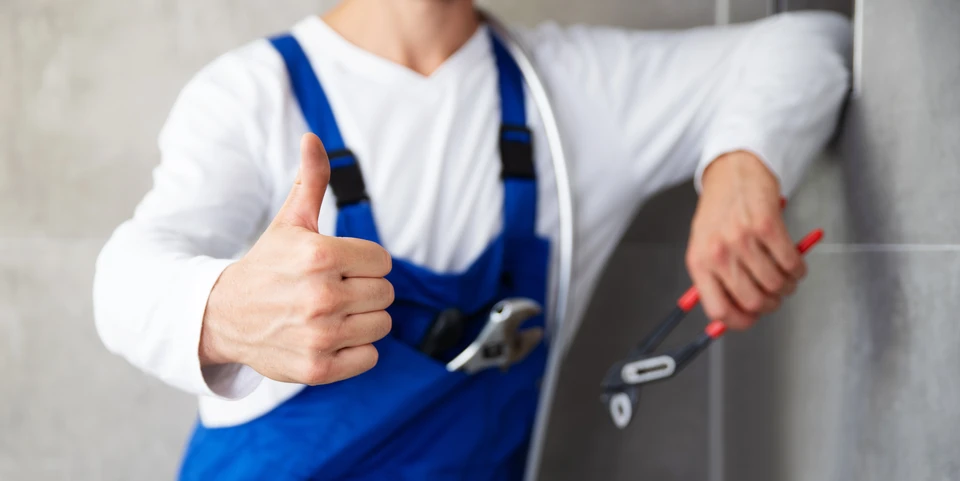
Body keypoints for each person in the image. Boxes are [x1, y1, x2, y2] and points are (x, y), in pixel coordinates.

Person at [93, 0, 851, 479]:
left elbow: (815, 41)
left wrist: (740, 168)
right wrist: (223, 308)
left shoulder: (574, 92)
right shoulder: (254, 94)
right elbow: (125, 279)